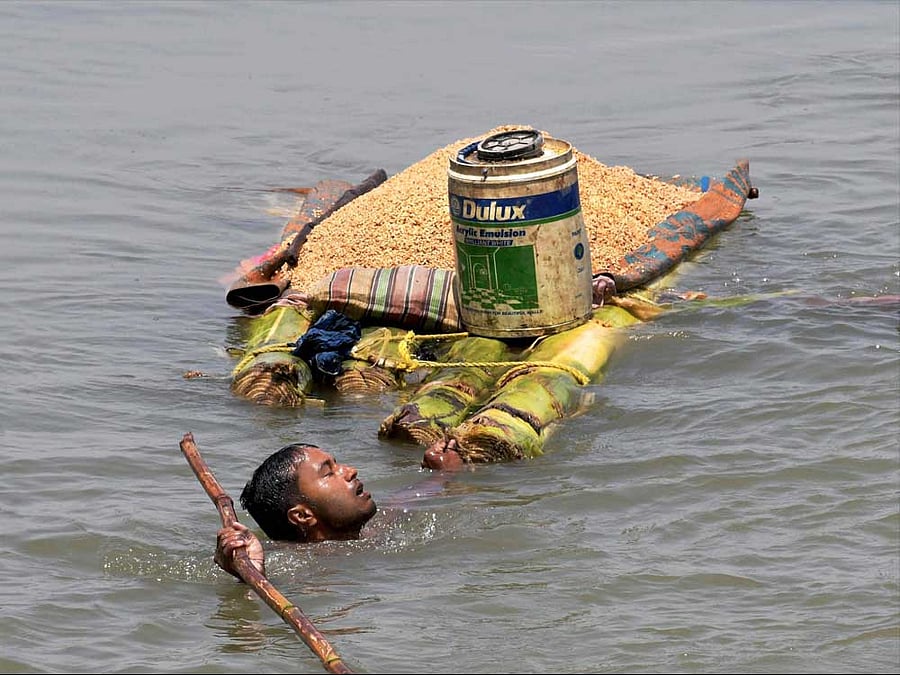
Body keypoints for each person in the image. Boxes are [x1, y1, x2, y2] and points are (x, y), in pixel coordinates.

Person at [215, 439, 459, 579]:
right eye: (328, 472)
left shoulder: (368, 531)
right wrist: (252, 576)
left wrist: (443, 473)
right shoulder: (300, 566)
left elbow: (401, 503)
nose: (350, 470)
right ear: (302, 516)